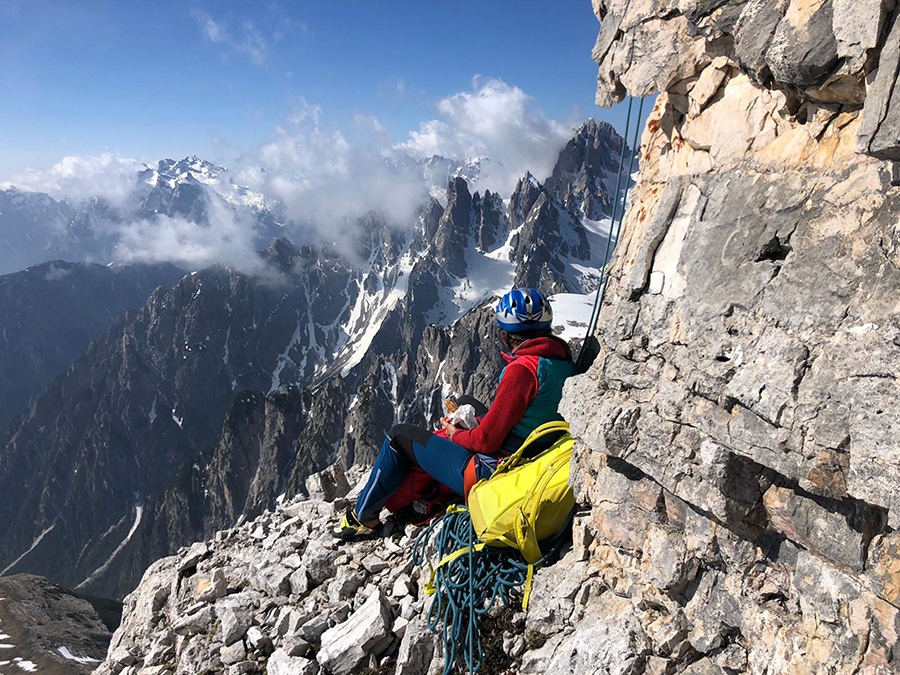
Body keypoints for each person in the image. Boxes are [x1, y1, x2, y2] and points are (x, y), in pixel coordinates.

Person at [336, 288, 575, 539]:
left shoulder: (523, 371)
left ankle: (363, 517)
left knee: (399, 437)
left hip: (497, 469)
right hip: (534, 452)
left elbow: (486, 441)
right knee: (464, 402)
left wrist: (455, 435)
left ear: (506, 336)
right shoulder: (560, 359)